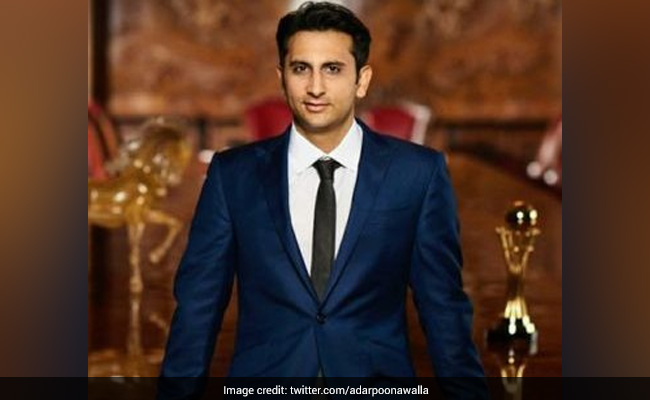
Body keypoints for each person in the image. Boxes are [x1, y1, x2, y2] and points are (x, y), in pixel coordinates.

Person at [158, 2, 487, 398]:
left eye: (332, 69)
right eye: (301, 69)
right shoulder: (233, 176)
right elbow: (198, 310)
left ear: (361, 80)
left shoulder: (417, 173)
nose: (315, 87)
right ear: (282, 78)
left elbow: (443, 310)